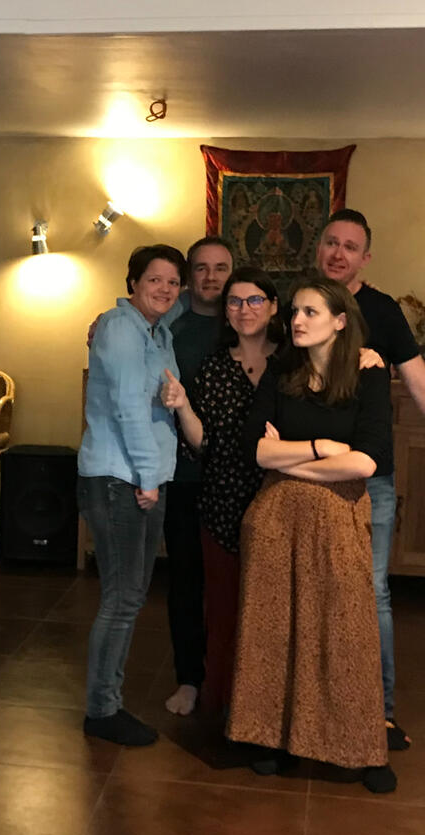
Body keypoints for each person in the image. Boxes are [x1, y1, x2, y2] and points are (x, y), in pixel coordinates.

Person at [316, 208, 425, 751]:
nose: (338, 253)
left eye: (350, 247)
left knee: (371, 592)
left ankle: (380, 713)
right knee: (311, 589)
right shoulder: (299, 303)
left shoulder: (383, 311)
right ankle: (311, 710)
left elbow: (422, 386)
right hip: (307, 473)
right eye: (331, 242)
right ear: (318, 248)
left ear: (365, 258)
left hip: (372, 478)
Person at [229, 275, 396, 794]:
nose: (297, 321)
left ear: (340, 322)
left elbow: (366, 461)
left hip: (339, 515)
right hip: (276, 516)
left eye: (310, 313)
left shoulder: (368, 375)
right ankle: (269, 738)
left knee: (347, 632)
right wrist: (324, 447)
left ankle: (360, 747)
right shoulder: (282, 372)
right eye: (294, 311)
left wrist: (292, 457)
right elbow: (256, 450)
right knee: (272, 631)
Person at [78, 243, 186, 746]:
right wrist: (147, 477)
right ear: (133, 284)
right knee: (121, 598)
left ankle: (107, 702)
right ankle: (102, 710)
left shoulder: (158, 331)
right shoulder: (121, 328)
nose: (165, 289)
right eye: (154, 279)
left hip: (143, 477)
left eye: (173, 281)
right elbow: (125, 408)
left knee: (131, 596)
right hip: (119, 478)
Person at [161, 266, 282, 713]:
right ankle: (222, 699)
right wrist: (183, 406)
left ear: (273, 307)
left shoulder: (293, 363)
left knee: (272, 606)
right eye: (235, 301)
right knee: (223, 604)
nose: (244, 309)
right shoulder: (213, 368)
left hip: (278, 498)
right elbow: (202, 443)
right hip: (222, 499)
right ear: (225, 312)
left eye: (254, 300)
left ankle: (268, 703)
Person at [162, 236, 234, 716]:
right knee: (186, 581)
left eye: (220, 268)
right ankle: (188, 678)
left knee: (231, 583)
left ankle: (233, 683)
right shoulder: (172, 326)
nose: (211, 277)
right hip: (183, 474)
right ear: (190, 275)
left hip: (238, 477)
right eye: (202, 268)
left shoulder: (246, 321)